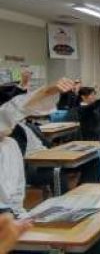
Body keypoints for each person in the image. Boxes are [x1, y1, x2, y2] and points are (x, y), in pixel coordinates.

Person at [1, 78, 74, 216]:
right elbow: (13, 110)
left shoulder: (10, 145)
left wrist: (50, 90)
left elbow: (19, 106)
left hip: (13, 216)